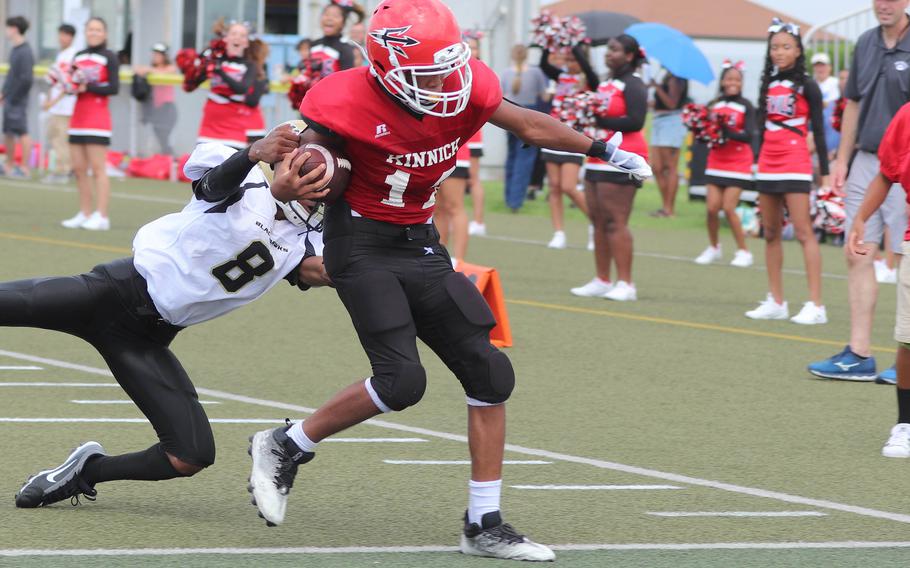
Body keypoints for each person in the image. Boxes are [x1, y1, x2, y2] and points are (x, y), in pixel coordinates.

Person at [245, 0, 650, 561]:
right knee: (401, 382)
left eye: (447, 65)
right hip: (360, 242)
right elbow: (301, 161)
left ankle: (483, 523)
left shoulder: (468, 86)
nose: (443, 80)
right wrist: (292, 183)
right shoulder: (340, 100)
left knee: (489, 372)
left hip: (419, 239)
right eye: (427, 71)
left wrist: (605, 148)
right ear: (387, 68)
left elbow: (529, 123)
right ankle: (285, 444)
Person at [11, 124, 332, 509]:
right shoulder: (247, 182)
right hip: (110, 293)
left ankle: (86, 472)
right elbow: (211, 186)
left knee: (190, 455)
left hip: (147, 338)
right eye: (308, 179)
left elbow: (326, 271)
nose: (313, 196)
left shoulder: (304, 238)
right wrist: (252, 153)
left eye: (322, 189)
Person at [808, 0, 910, 381]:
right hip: (866, 161)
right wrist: (841, 161)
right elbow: (852, 105)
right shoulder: (865, 42)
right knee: (858, 251)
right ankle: (859, 354)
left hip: (906, 161)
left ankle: (906, 360)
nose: (884, 4)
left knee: (906, 254)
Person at [745, 18, 829, 325]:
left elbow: (818, 131)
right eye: (775, 47)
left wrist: (827, 174)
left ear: (797, 50)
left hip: (795, 161)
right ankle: (776, 301)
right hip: (768, 160)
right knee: (770, 233)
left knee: (804, 232)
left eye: (786, 47)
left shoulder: (808, 85)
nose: (779, 52)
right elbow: (759, 125)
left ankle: (816, 305)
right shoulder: (767, 83)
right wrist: (755, 159)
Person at [845, 102, 910, 455]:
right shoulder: (906, 116)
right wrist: (861, 219)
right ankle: (905, 424)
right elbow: (887, 173)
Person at [570, 34, 648, 302]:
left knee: (616, 221)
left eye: (614, 50)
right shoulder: (606, 83)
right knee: (598, 221)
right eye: (608, 49)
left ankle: (627, 283)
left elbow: (636, 121)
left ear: (629, 56)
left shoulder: (634, 84)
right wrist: (576, 46)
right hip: (598, 155)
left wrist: (598, 116)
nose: (608, 54)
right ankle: (602, 279)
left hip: (624, 157)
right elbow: (590, 74)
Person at [693, 60, 756, 268]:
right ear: (722, 81)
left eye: (737, 79)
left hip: (738, 162)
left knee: (729, 208)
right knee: (711, 208)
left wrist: (726, 130)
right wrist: (700, 130)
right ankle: (714, 247)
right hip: (716, 160)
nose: (733, 83)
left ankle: (744, 251)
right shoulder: (714, 104)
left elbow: (747, 136)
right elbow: (708, 131)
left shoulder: (746, 105)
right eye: (729, 78)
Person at [62, 17, 119, 232]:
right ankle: (84, 212)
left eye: (98, 29)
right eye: (90, 29)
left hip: (97, 119)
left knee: (98, 169)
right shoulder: (78, 56)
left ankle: (101, 215)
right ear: (85, 32)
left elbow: (113, 88)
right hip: (78, 117)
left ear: (104, 33)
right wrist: (65, 83)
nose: (94, 33)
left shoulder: (110, 57)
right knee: (78, 169)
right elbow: (72, 85)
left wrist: (89, 86)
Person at [539, 44, 598, 249]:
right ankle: (559, 232)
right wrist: (549, 42)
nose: (569, 64)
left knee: (569, 187)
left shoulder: (590, 80)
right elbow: (543, 65)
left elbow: (589, 70)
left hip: (575, 138)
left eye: (573, 60)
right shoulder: (561, 77)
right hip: (553, 135)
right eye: (567, 60)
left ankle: (595, 225)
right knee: (554, 187)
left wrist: (576, 47)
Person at [498, 44, 549, 214]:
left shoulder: (505, 73)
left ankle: (508, 197)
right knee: (525, 159)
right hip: (528, 114)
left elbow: (502, 95)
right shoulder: (536, 72)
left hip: (508, 114)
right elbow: (544, 95)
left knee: (511, 157)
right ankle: (516, 201)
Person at [190, 20, 257, 148]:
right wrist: (200, 67)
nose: (237, 37)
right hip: (211, 122)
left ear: (247, 42)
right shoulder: (215, 59)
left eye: (242, 35)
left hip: (235, 123)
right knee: (205, 165)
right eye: (234, 33)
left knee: (233, 165)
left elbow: (241, 89)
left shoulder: (249, 65)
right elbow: (194, 82)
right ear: (225, 38)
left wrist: (219, 71)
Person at [649, 70, 689, 218]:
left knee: (670, 166)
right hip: (659, 120)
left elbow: (672, 103)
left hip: (671, 122)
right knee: (657, 167)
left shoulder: (677, 78)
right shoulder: (668, 76)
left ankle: (669, 208)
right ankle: (665, 205)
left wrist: (656, 86)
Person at [42, 23, 77, 184]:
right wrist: (49, 100)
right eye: (60, 34)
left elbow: (69, 85)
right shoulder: (60, 55)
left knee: (63, 138)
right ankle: (61, 168)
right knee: (54, 136)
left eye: (65, 35)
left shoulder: (72, 56)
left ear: (71, 37)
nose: (61, 38)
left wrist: (54, 101)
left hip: (66, 106)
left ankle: (66, 169)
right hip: (56, 106)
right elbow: (54, 81)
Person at [1, 16, 34, 179]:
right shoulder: (15, 49)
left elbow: (26, 79)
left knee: (22, 132)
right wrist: (3, 93)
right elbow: (11, 76)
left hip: (18, 100)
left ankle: (25, 167)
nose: (5, 31)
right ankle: (8, 164)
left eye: (7, 27)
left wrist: (15, 97)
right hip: (10, 99)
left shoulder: (26, 51)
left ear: (14, 28)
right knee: (7, 132)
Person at [133, 43, 178, 155]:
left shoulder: (169, 68)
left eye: (158, 54)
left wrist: (149, 70)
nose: (155, 57)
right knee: (159, 138)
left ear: (165, 56)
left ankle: (168, 160)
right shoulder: (151, 69)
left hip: (167, 108)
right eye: (154, 54)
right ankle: (163, 161)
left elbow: (169, 71)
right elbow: (137, 69)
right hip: (156, 109)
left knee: (163, 138)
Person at [464, 33, 487, 237]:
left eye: (474, 46)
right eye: (467, 45)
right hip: (456, 132)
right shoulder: (456, 69)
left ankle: (479, 221)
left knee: (473, 178)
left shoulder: (480, 72)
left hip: (472, 134)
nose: (471, 49)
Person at [311, 0, 365, 73]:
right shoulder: (314, 44)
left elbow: (346, 80)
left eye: (335, 16)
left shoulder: (346, 49)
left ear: (343, 23)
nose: (329, 18)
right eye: (326, 14)